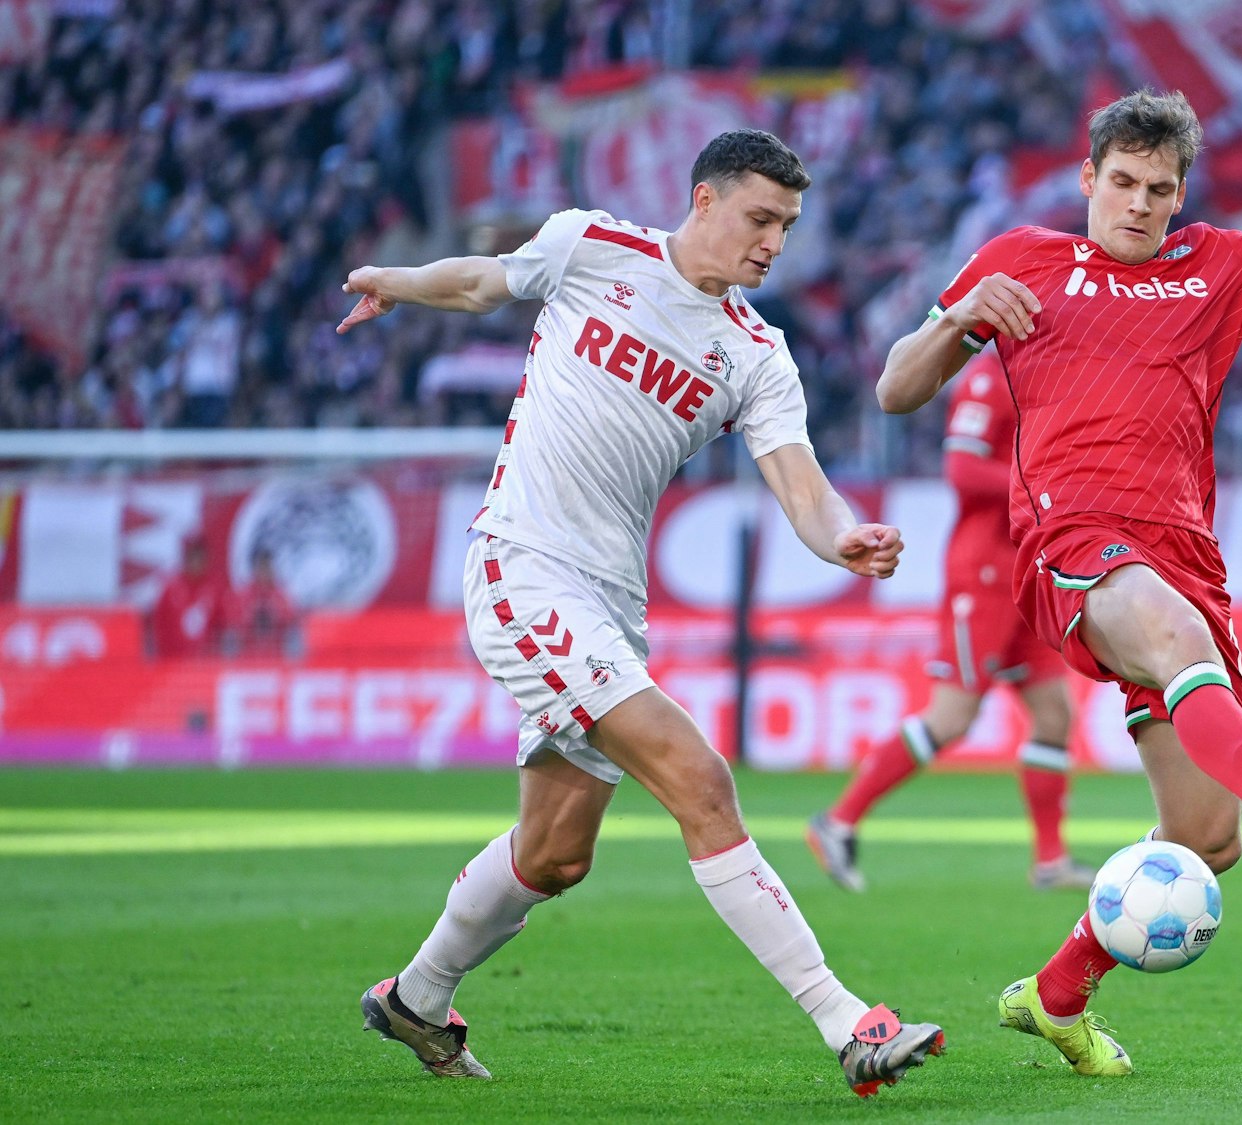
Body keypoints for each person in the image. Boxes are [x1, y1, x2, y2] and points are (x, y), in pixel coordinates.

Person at [335, 130, 945, 1098]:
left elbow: (802, 486)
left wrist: (841, 539)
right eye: (758, 218)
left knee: (555, 853)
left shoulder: (755, 353)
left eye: (787, 226)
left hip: (611, 605)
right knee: (698, 778)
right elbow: (482, 284)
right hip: (522, 568)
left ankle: (415, 998)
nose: (772, 243)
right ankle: (847, 1022)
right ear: (702, 200)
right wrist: (399, 279)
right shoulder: (594, 246)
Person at [874, 26, 1242, 1077]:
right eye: (1123, 183)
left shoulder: (1216, 263)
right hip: (1072, 542)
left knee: (1204, 842)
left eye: (1161, 188)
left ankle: (1054, 995)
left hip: (1184, 557)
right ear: (1086, 178)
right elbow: (895, 387)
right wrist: (957, 317)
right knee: (1167, 630)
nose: (1142, 205)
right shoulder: (1019, 263)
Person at [807, 350, 1094, 894]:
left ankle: (1051, 862)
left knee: (1054, 712)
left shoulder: (1050, 374)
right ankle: (838, 821)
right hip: (983, 574)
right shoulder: (989, 377)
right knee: (954, 715)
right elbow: (963, 471)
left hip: (1031, 570)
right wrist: (1039, 485)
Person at [144, 537, 228, 660]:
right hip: (173, 662)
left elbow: (223, 624)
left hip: (205, 664)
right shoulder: (171, 588)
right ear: (185, 559)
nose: (196, 562)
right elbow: (157, 624)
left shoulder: (215, 588)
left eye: (200, 557)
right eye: (192, 557)